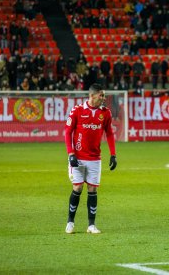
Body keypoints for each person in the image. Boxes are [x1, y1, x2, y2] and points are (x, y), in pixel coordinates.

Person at [64, 84, 117, 234]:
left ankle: (91, 225)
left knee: (92, 189)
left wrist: (113, 154)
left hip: (95, 158)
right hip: (78, 158)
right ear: (92, 96)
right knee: (78, 188)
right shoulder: (77, 110)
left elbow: (110, 134)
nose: (104, 98)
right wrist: (71, 153)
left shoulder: (105, 113)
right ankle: (70, 222)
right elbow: (68, 132)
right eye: (101, 95)